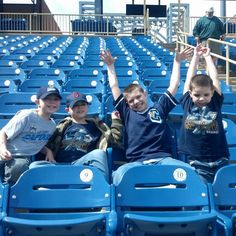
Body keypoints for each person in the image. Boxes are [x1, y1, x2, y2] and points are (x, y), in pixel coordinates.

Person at [100, 48, 193, 185]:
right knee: (118, 176)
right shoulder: (127, 112)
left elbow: (174, 85)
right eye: (131, 101)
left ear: (145, 93)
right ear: (127, 103)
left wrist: (177, 61)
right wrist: (110, 66)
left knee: (189, 172)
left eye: (138, 97)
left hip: (163, 159)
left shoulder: (159, 108)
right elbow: (114, 86)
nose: (136, 102)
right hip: (136, 163)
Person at [30, 91, 123, 182]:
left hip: (83, 165)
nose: (79, 108)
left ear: (87, 106)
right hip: (59, 165)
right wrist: (48, 150)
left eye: (83, 104)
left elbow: (114, 140)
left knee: (99, 153)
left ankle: (101, 187)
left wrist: (116, 121)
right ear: (67, 110)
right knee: (34, 166)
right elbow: (42, 141)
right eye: (75, 105)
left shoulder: (96, 125)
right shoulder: (61, 127)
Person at [178, 44, 229, 183]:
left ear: (212, 92)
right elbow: (189, 77)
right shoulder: (187, 102)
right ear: (190, 93)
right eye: (197, 94)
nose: (202, 98)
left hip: (220, 159)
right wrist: (195, 56)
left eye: (206, 94)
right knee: (201, 193)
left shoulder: (215, 102)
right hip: (196, 161)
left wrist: (207, 57)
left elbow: (215, 78)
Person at [0, 86, 62, 184]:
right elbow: (3, 132)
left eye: (56, 99)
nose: (52, 102)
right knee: (20, 165)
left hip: (24, 159)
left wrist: (48, 151)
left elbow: (36, 142)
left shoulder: (52, 125)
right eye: (47, 99)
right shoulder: (27, 116)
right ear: (38, 102)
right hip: (7, 155)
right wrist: (3, 149)